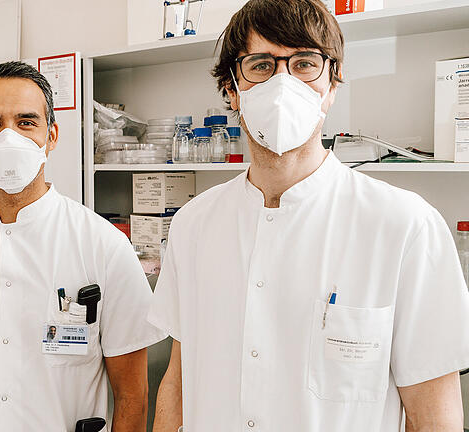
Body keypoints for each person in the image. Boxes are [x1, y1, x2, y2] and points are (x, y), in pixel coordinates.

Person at [149, 1, 469, 431]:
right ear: (231, 89)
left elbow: (435, 418)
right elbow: (179, 379)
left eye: (303, 63)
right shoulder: (192, 224)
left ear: (332, 84)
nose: (282, 83)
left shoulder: (405, 226)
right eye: (261, 65)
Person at [0, 61, 166, 432]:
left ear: (51, 135)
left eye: (25, 122)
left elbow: (132, 392)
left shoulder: (104, 246)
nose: (8, 137)